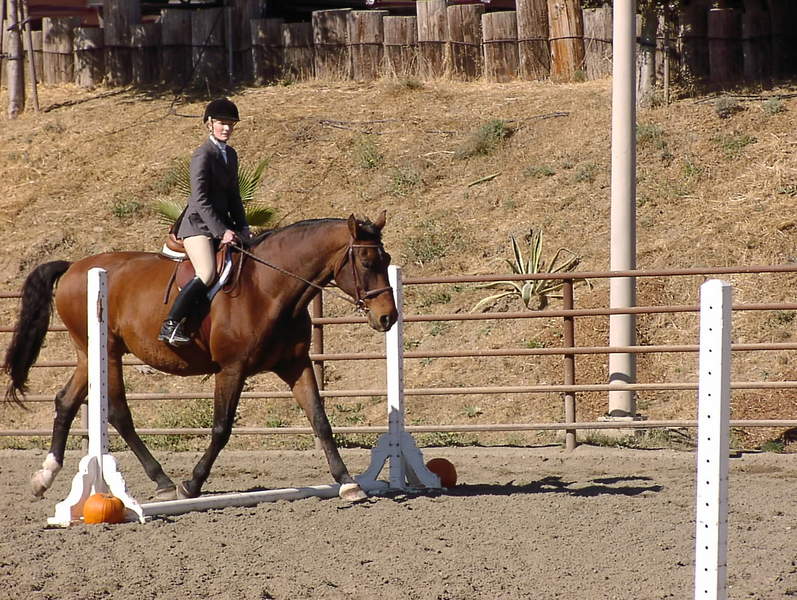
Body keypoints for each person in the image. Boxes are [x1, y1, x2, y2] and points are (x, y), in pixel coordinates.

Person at [158, 98, 251, 346]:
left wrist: (243, 227)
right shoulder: (203, 154)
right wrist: (221, 232)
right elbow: (199, 199)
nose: (227, 128)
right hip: (197, 225)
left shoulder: (230, 154)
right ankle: (171, 324)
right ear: (209, 123)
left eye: (231, 124)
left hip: (222, 224)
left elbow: (234, 196)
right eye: (222, 123)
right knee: (207, 272)